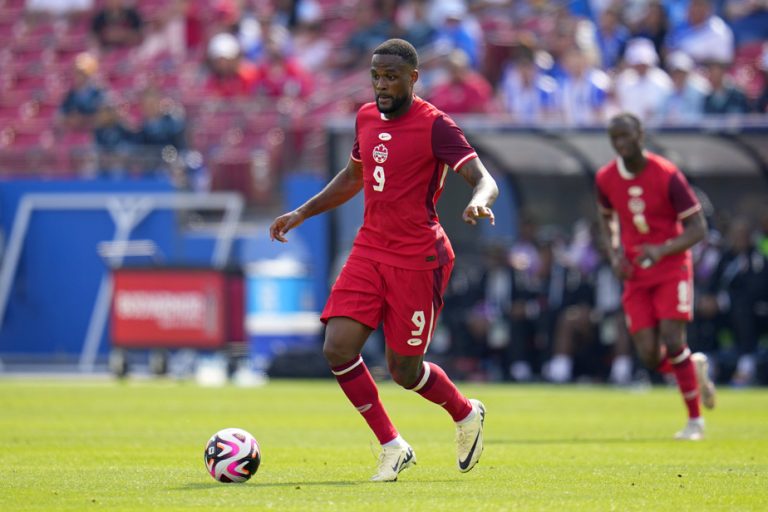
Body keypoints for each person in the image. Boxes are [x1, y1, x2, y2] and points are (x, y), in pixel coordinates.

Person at [269, 39, 498, 481]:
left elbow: (483, 178)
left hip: (418, 258)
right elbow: (354, 176)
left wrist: (478, 201)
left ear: (413, 78)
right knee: (337, 347)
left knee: (404, 370)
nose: (381, 85)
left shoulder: (436, 125)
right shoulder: (366, 117)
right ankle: (392, 446)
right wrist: (301, 211)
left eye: (391, 76)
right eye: (376, 76)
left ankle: (466, 412)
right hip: (370, 249)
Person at [595, 113, 717, 441]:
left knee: (673, 339)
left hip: (671, 267)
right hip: (635, 273)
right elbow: (606, 219)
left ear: (641, 135)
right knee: (649, 355)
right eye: (614, 138)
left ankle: (695, 422)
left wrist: (661, 250)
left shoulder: (667, 175)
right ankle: (693, 371)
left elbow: (698, 229)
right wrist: (615, 253)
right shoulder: (606, 178)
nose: (621, 143)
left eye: (626, 136)